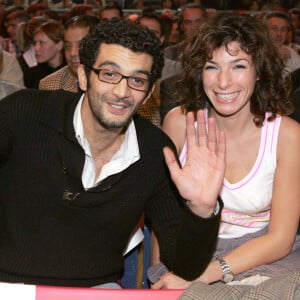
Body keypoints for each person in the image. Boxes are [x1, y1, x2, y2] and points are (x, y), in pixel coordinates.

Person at [0, 18, 224, 288]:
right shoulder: (21, 114)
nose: (122, 91)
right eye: (109, 74)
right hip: (9, 285)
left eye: (137, 80)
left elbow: (183, 266)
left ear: (150, 91)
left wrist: (201, 211)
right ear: (83, 76)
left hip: (95, 290)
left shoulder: (154, 151)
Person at [150, 12, 300, 289]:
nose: (223, 82)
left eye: (239, 66)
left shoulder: (287, 136)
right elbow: (163, 216)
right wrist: (156, 273)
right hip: (192, 250)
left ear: (260, 72)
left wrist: (207, 274)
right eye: (212, 67)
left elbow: (280, 239)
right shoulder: (180, 124)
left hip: (263, 256)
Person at [39, 15, 99, 92]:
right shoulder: (50, 86)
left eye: (81, 45)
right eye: (68, 46)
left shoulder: (114, 81)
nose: (73, 53)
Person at [23, 20, 65, 88]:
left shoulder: (73, 72)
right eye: (35, 43)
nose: (36, 48)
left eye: (41, 43)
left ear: (59, 45)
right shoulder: (31, 75)